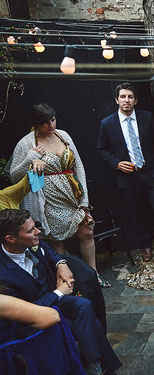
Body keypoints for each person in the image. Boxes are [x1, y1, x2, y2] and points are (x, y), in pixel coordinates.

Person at [0, 209, 148, 375]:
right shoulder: (3, 274)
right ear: (11, 239)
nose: (38, 232)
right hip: (32, 324)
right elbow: (26, 312)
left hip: (54, 304)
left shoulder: (33, 244)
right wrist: (58, 292)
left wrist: (61, 263)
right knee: (90, 324)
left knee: (83, 305)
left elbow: (50, 253)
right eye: (30, 231)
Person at [8, 104, 109, 287]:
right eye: (46, 123)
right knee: (57, 242)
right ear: (36, 124)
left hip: (71, 196)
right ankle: (71, 279)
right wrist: (30, 158)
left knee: (87, 232)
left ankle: (93, 275)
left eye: (53, 119)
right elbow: (14, 175)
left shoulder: (63, 135)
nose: (51, 125)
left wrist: (84, 198)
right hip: (47, 201)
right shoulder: (26, 143)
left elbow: (78, 166)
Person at [96, 83, 154, 265]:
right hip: (128, 177)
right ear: (116, 100)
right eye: (123, 97)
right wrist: (117, 164)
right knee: (137, 213)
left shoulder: (147, 117)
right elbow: (102, 149)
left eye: (129, 97)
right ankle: (145, 246)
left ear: (135, 100)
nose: (126, 100)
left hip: (151, 173)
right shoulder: (108, 123)